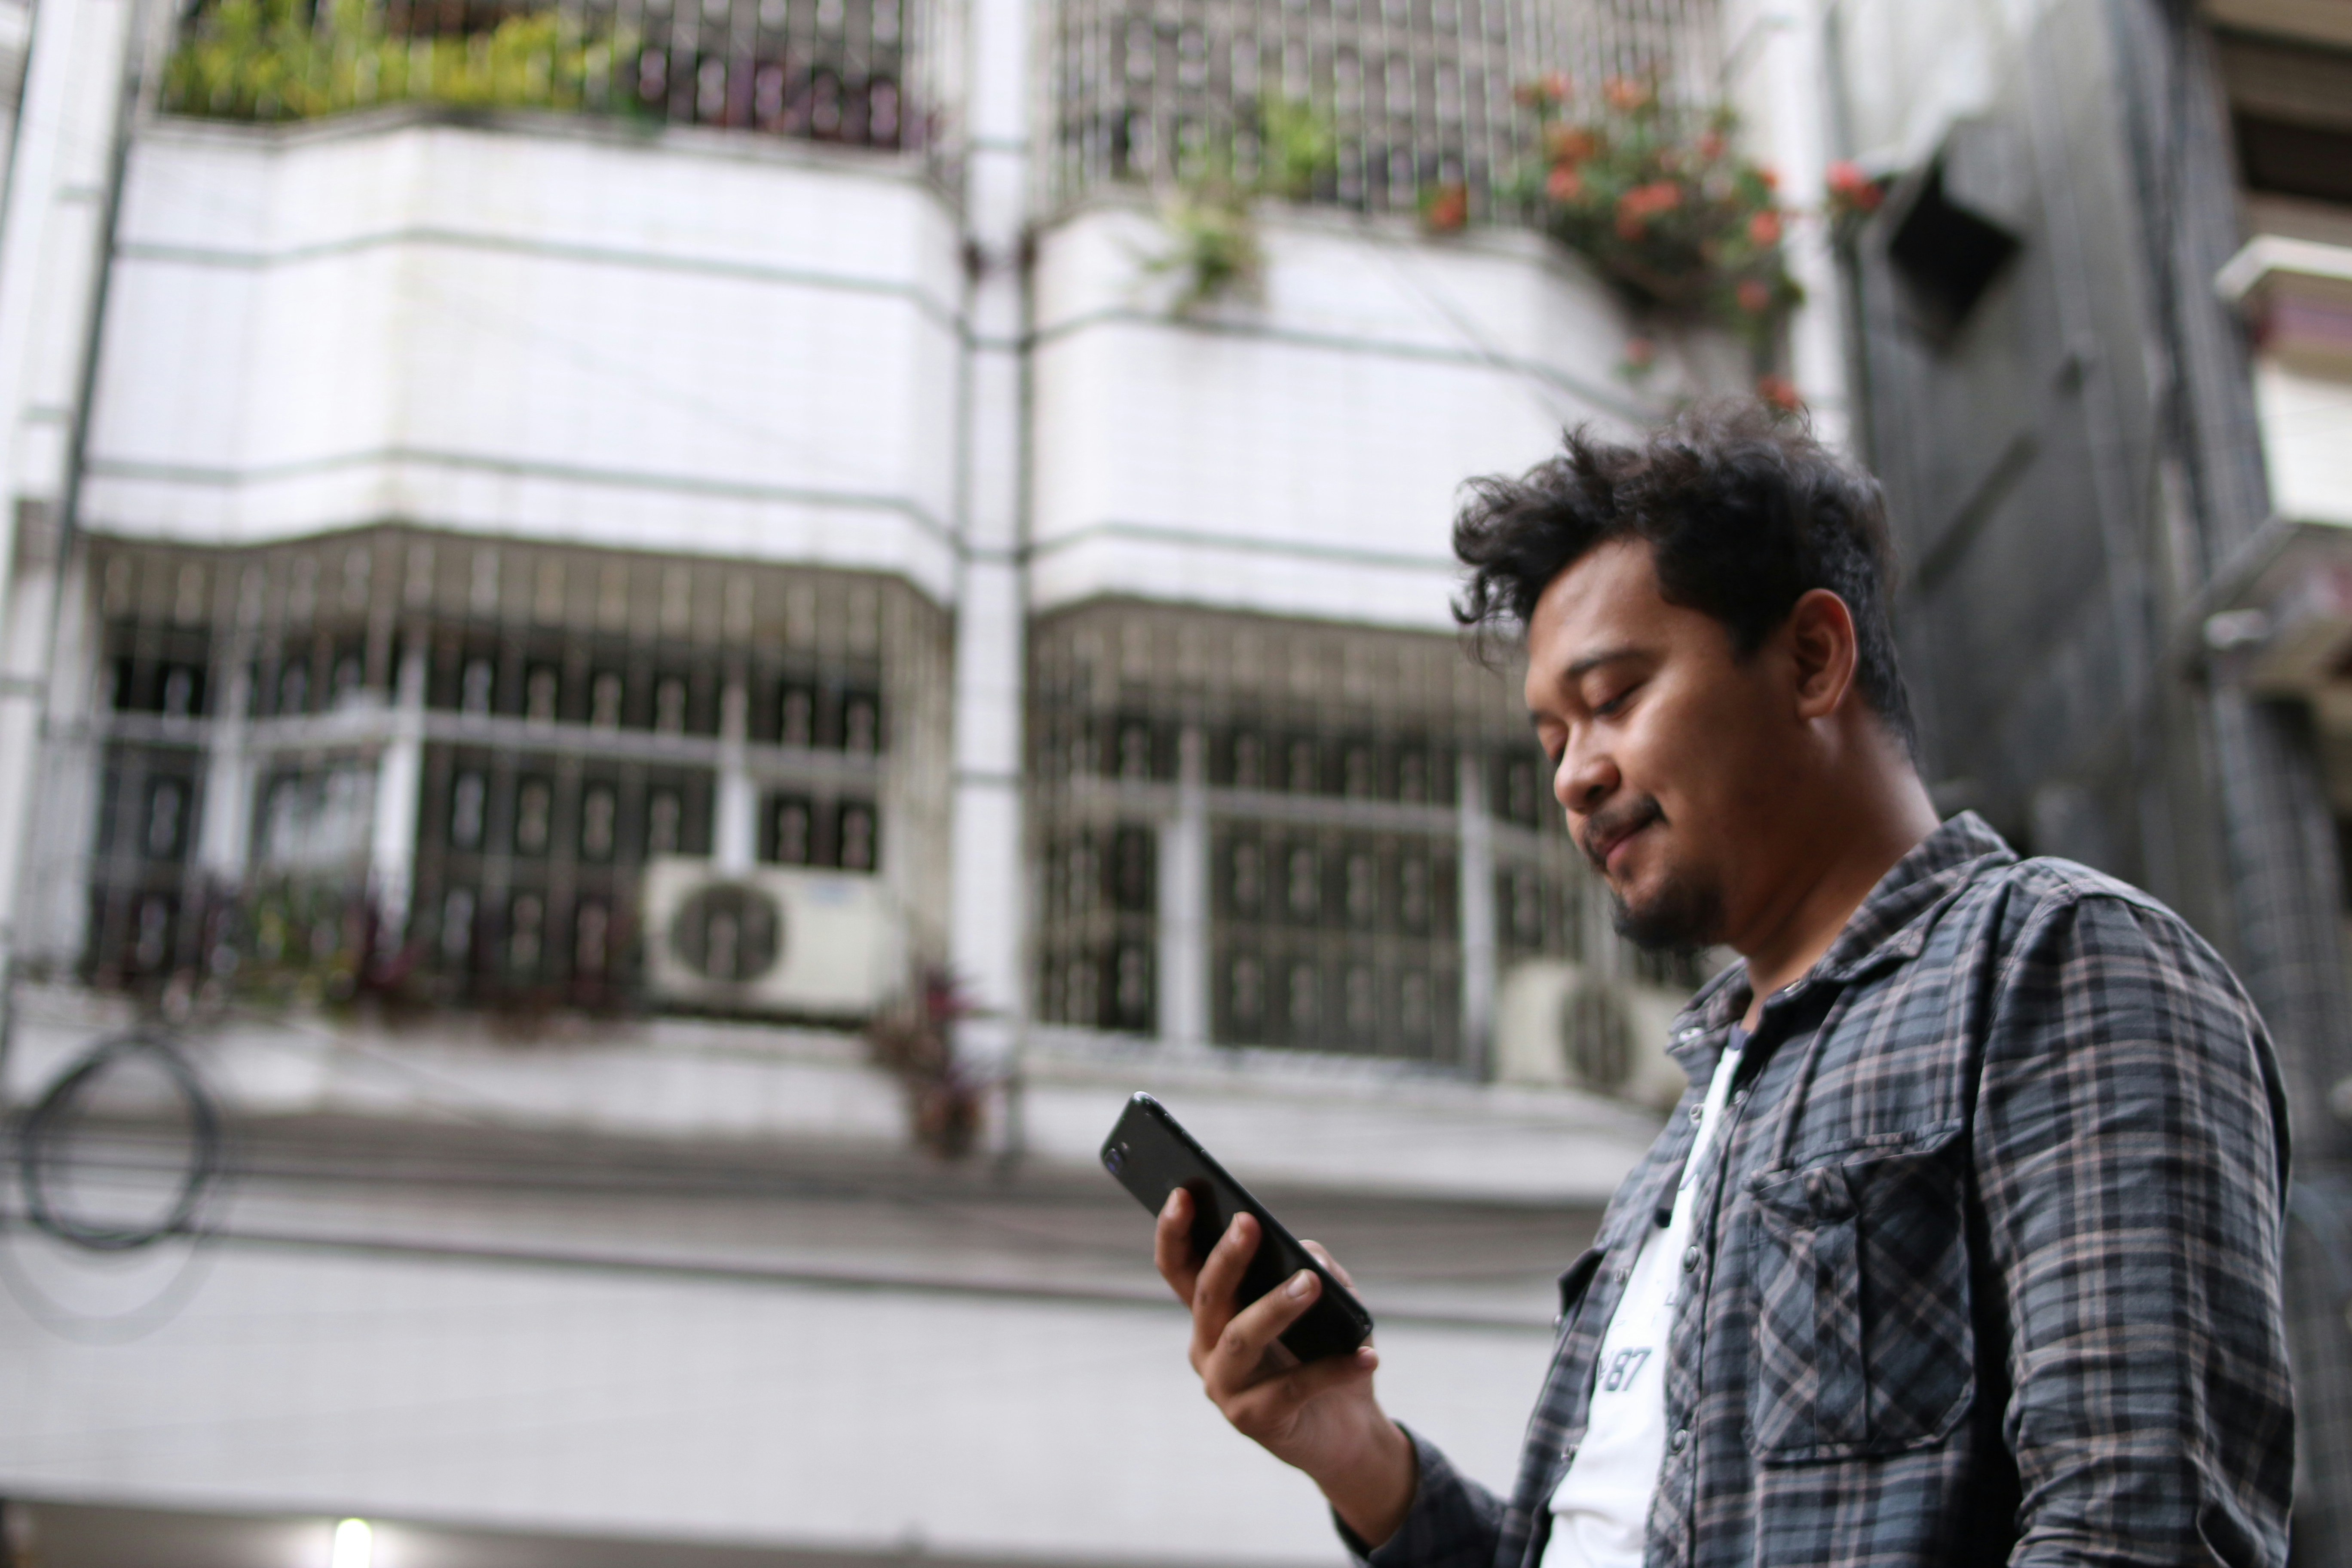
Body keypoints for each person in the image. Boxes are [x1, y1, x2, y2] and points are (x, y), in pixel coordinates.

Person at [1150, 404, 2294, 1567]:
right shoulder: (1688, 1138)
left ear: (1810, 659)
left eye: (1613, 701)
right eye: (1551, 743)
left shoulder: (2055, 963)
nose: (1576, 778)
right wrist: (1359, 1455)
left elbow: (2140, 1526)